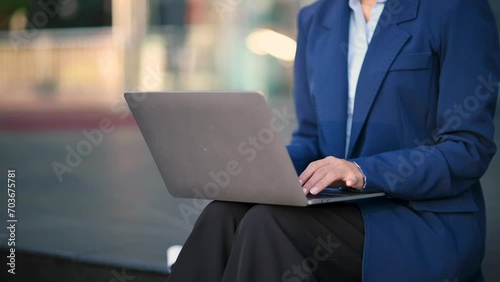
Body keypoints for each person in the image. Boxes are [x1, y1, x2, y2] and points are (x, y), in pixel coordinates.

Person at [167, 0, 500, 281]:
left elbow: (467, 148)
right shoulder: (316, 18)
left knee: (268, 223)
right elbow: (312, 139)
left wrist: (362, 170)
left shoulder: (456, 10)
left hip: (420, 218)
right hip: (339, 207)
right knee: (223, 212)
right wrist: (256, 166)